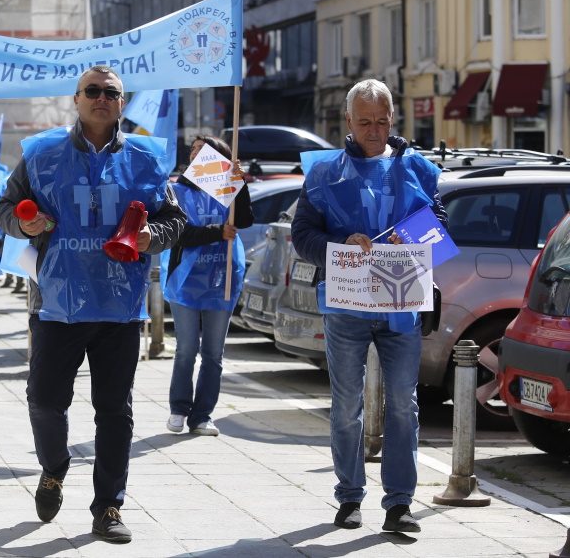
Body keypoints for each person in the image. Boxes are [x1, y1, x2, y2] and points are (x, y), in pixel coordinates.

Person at [0, 65, 186, 543]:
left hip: (119, 307)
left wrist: (151, 237)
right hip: (56, 304)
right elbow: (3, 211)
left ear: (123, 102)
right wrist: (27, 226)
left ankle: (109, 508)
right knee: (44, 399)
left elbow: (174, 220)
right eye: (93, 91)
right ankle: (54, 468)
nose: (102, 98)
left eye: (112, 92)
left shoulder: (146, 158)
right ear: (76, 99)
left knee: (114, 411)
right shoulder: (40, 154)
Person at [290, 79, 448, 533]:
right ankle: (349, 497)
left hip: (402, 303)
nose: (374, 130)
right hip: (346, 305)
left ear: (393, 119)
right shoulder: (323, 173)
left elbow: (438, 222)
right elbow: (303, 236)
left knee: (403, 403)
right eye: (365, 122)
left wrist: (412, 235)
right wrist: (340, 242)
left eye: (382, 121)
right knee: (346, 405)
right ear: (348, 121)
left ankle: (399, 503)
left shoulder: (417, 168)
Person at [163, 135, 253, 437]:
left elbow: (244, 220)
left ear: (219, 157)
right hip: (185, 279)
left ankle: (202, 415)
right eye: (193, 150)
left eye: (204, 151)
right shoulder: (177, 190)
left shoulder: (227, 185)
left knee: (214, 353)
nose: (196, 155)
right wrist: (217, 232)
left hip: (222, 277)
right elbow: (180, 233)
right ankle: (179, 408)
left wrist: (239, 183)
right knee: (187, 349)